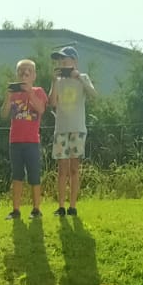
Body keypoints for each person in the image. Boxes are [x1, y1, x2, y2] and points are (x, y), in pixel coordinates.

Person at [48, 45, 96, 217]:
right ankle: (61, 206)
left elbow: (94, 95)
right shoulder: (58, 81)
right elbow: (52, 103)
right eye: (59, 60)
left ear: (74, 61)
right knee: (62, 170)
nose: (61, 62)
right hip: (61, 129)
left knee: (75, 169)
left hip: (77, 129)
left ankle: (73, 206)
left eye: (64, 59)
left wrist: (79, 78)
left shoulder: (83, 77)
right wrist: (54, 81)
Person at [0, 59, 48, 220]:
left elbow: (41, 109)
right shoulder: (13, 94)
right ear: (17, 74)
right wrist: (8, 97)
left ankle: (36, 209)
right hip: (15, 141)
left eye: (28, 72)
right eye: (21, 71)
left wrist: (30, 93)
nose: (24, 74)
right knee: (17, 175)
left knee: (34, 175)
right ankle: (16, 210)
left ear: (34, 75)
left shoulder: (38, 91)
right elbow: (4, 114)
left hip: (32, 141)